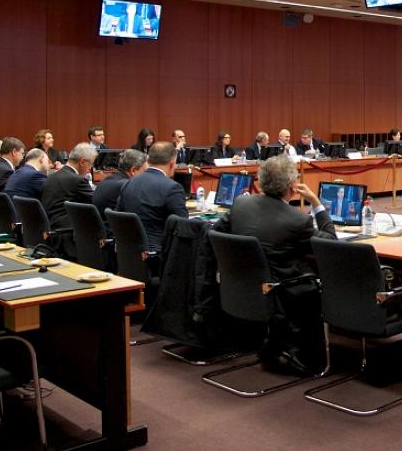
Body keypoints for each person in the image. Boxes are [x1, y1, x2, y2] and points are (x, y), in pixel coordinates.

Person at [213, 155, 336, 374]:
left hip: (240, 288)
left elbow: (215, 233)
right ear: (292, 186)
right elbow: (331, 243)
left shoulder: (241, 204)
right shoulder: (298, 220)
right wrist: (316, 203)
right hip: (280, 293)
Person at [115, 141, 188, 254]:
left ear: (148, 161)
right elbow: (183, 226)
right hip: (157, 253)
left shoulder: (129, 182)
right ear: (172, 163)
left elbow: (118, 217)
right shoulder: (172, 187)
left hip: (129, 251)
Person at [40, 143, 97, 230]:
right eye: (90, 164)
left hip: (49, 227)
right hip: (67, 230)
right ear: (82, 162)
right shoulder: (78, 180)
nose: (90, 168)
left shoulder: (52, 176)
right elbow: (97, 202)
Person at [92, 148, 147, 215]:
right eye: (145, 171)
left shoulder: (106, 180)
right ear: (133, 170)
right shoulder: (127, 186)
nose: (146, 175)